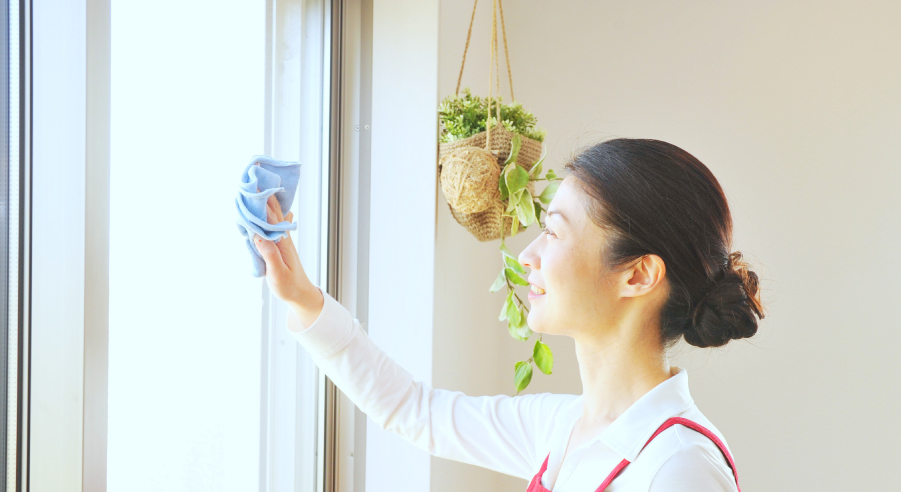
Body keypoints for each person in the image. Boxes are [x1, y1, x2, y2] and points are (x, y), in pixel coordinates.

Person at [253, 138, 764, 491]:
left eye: (556, 232)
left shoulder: (679, 467)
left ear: (637, 275)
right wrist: (302, 297)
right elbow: (414, 411)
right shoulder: (562, 428)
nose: (528, 255)